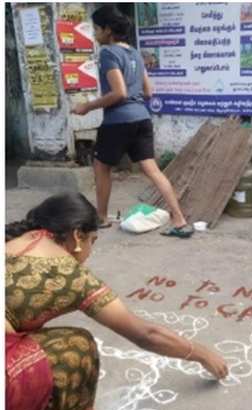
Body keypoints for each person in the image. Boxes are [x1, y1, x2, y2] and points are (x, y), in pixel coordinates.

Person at [5, 193, 228, 410]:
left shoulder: (14, 238)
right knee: (77, 345)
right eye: (93, 240)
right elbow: (146, 334)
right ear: (77, 237)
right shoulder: (69, 274)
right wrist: (203, 353)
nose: (91, 251)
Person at [70, 5, 193, 238]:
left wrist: (87, 106)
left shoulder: (108, 53)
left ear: (107, 30)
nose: (95, 34)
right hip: (142, 118)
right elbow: (149, 91)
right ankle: (179, 220)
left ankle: (102, 218)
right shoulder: (135, 53)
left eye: (96, 29)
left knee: (101, 166)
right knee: (153, 170)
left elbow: (119, 93)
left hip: (118, 121)